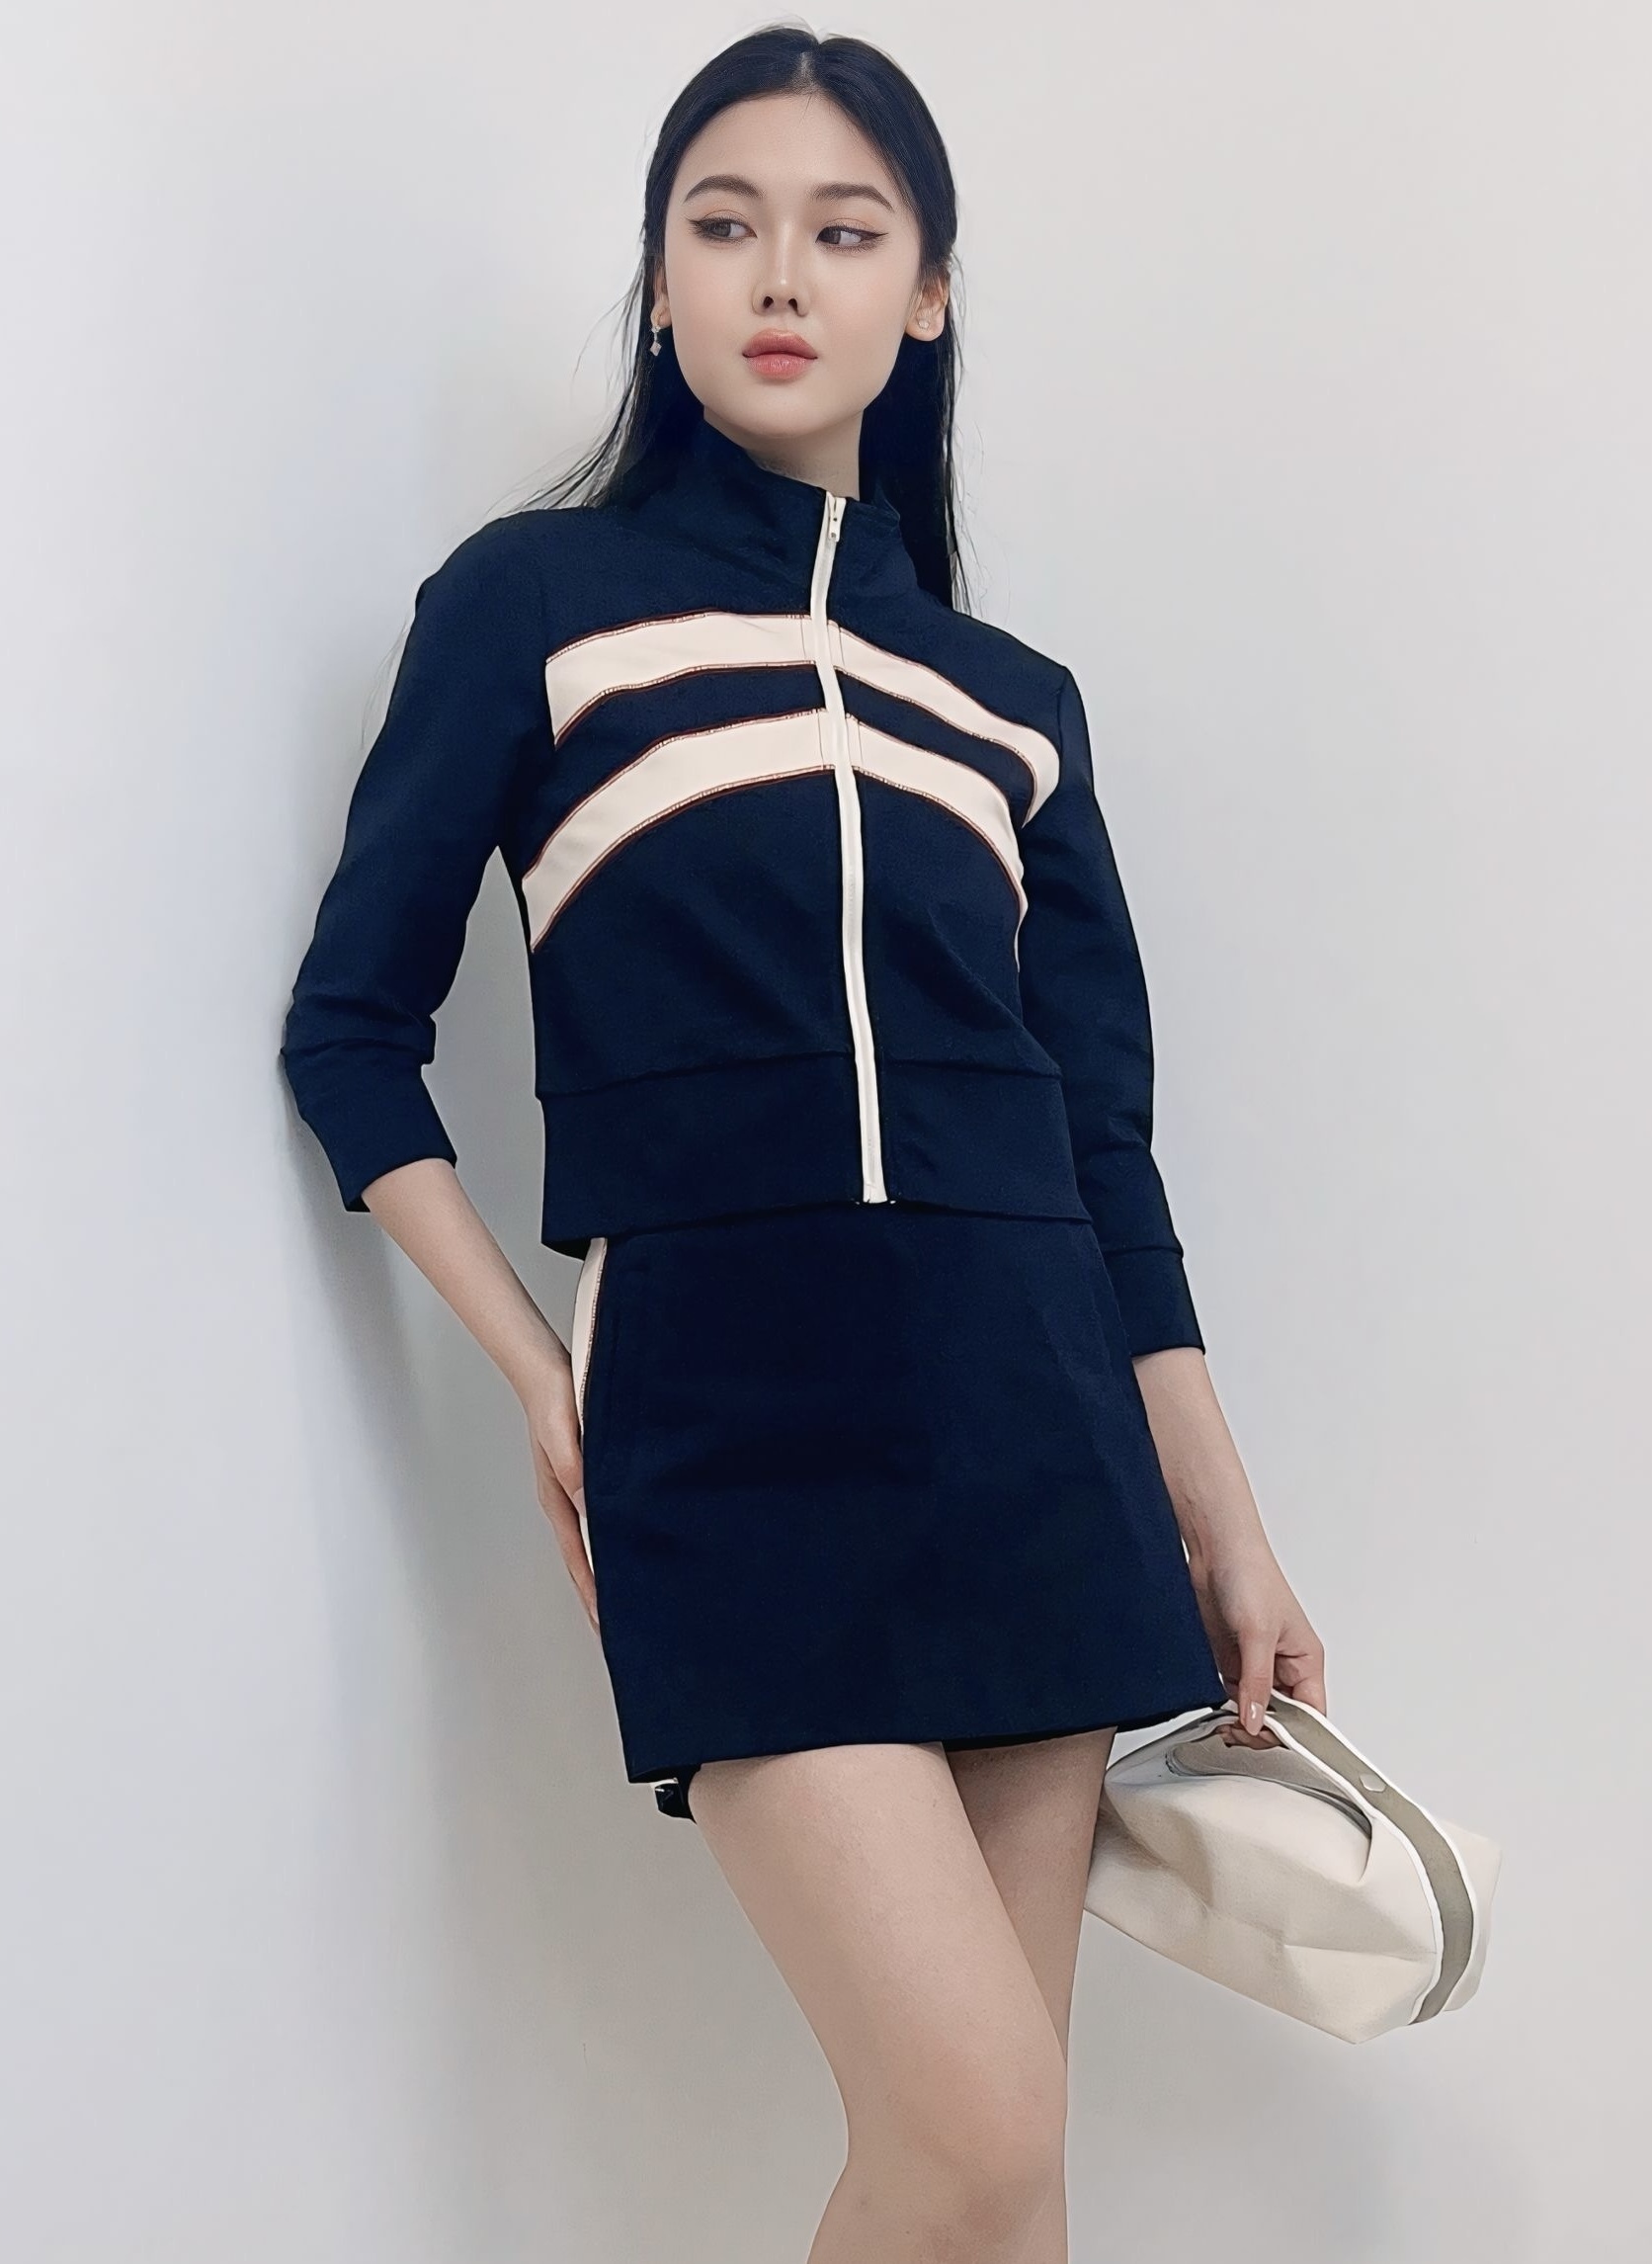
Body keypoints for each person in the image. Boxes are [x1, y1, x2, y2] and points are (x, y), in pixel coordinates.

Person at [282, 26, 1326, 2263]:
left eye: (844, 233)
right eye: (723, 224)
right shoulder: (532, 607)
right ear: (658, 275)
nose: (779, 275)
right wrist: (542, 1371)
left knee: (1000, 2187)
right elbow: (349, 1036)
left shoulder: (1009, 702)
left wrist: (1225, 1527)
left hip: (1032, 1431)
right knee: (969, 2136)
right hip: (731, 1434)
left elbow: (1105, 1152)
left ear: (923, 293)